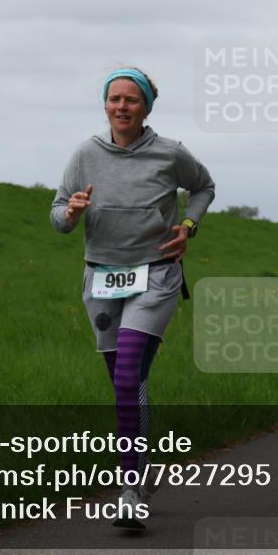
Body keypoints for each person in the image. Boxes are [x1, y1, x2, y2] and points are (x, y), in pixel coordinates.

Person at [50, 67, 215, 529]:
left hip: (156, 275)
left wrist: (188, 226)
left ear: (146, 107)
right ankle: (140, 470)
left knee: (127, 376)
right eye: (114, 99)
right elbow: (58, 216)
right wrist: (71, 212)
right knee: (127, 382)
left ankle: (129, 492)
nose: (121, 107)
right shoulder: (85, 154)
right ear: (105, 105)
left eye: (131, 100)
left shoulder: (170, 153)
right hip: (101, 278)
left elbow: (203, 186)